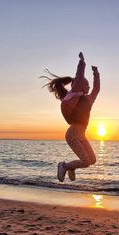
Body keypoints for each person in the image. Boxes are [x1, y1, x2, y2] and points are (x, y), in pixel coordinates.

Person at [41, 52, 100, 182]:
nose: (88, 87)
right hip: (72, 133)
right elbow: (79, 77)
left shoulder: (89, 99)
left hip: (82, 134)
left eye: (88, 85)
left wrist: (96, 73)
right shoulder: (74, 95)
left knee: (92, 160)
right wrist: (82, 62)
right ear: (79, 85)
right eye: (86, 85)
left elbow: (96, 89)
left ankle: (71, 168)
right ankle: (64, 166)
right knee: (85, 161)